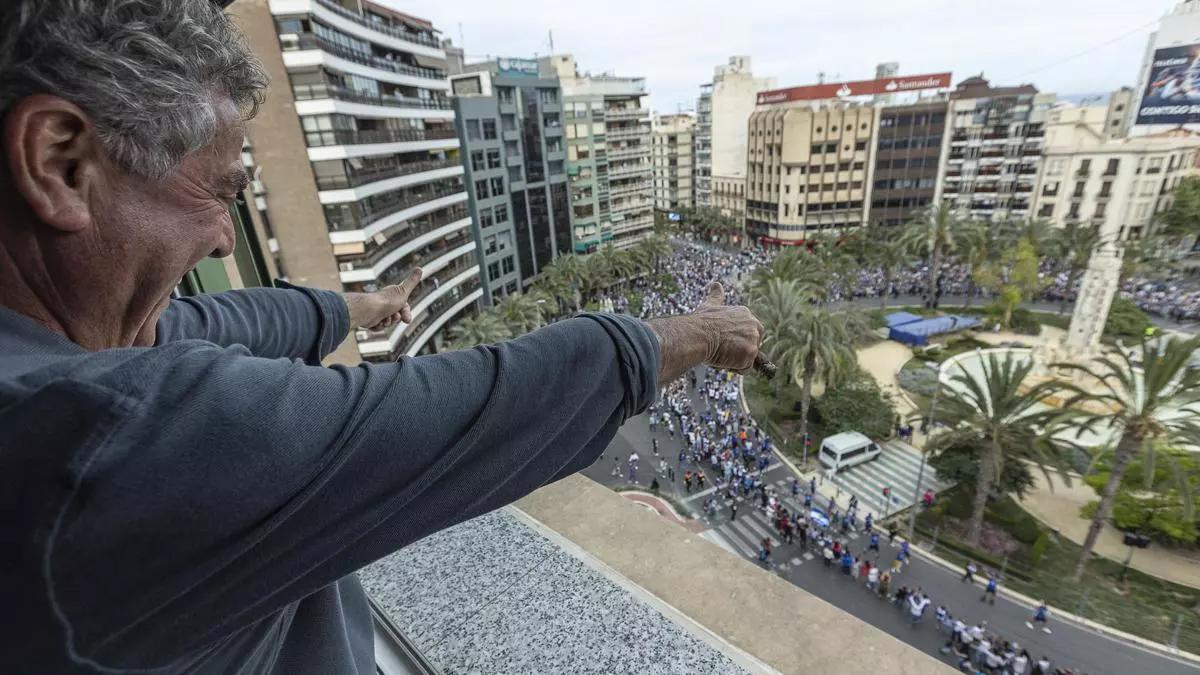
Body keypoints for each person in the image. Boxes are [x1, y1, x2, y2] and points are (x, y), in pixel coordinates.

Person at [0, 4, 768, 668]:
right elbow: (459, 417)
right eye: (218, 192)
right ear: (60, 163)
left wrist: (357, 308)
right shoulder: (89, 442)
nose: (226, 243)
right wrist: (695, 335)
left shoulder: (67, 350)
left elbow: (220, 319)